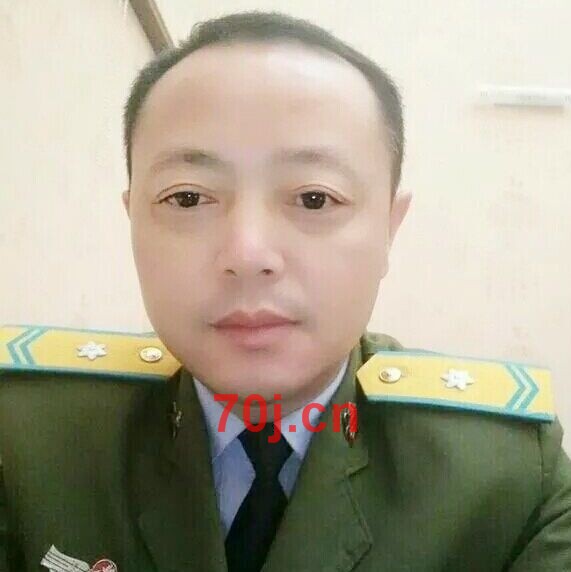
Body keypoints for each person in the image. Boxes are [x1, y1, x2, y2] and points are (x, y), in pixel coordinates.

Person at [1, 10, 570, 572]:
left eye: (314, 199)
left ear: (389, 229)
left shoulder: (510, 479)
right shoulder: (25, 437)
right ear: (133, 222)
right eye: (188, 198)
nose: (248, 255)